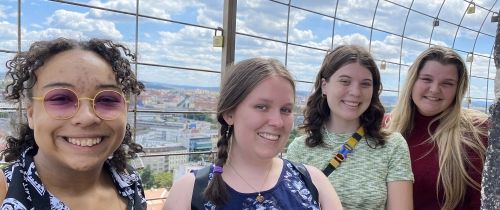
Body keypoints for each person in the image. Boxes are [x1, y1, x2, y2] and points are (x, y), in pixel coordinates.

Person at [163, 58, 343, 210]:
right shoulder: (187, 192)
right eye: (261, 107)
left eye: (286, 110)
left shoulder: (314, 181)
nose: (277, 122)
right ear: (229, 113)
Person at [0, 38, 147, 209]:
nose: (87, 117)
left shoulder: (129, 180)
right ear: (31, 114)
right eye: (61, 99)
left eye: (107, 99)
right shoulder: (4, 192)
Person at [287, 45, 414, 210]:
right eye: (345, 81)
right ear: (325, 86)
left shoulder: (392, 146)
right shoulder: (299, 149)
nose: (355, 92)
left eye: (365, 84)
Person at [385, 46, 488, 210]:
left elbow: (480, 202)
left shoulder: (476, 132)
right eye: (426, 79)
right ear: (412, 81)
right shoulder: (384, 127)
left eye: (447, 83)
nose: (434, 90)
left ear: (458, 89)